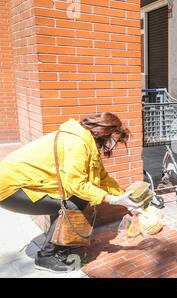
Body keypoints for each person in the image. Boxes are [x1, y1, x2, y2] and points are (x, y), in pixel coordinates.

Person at [0, 112, 145, 273]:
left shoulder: (87, 143)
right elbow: (76, 184)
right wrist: (111, 199)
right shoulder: (77, 142)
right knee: (72, 204)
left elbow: (103, 178)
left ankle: (60, 244)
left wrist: (124, 199)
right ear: (106, 131)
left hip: (25, 183)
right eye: (115, 140)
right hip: (10, 187)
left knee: (73, 201)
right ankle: (46, 256)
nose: (113, 145)